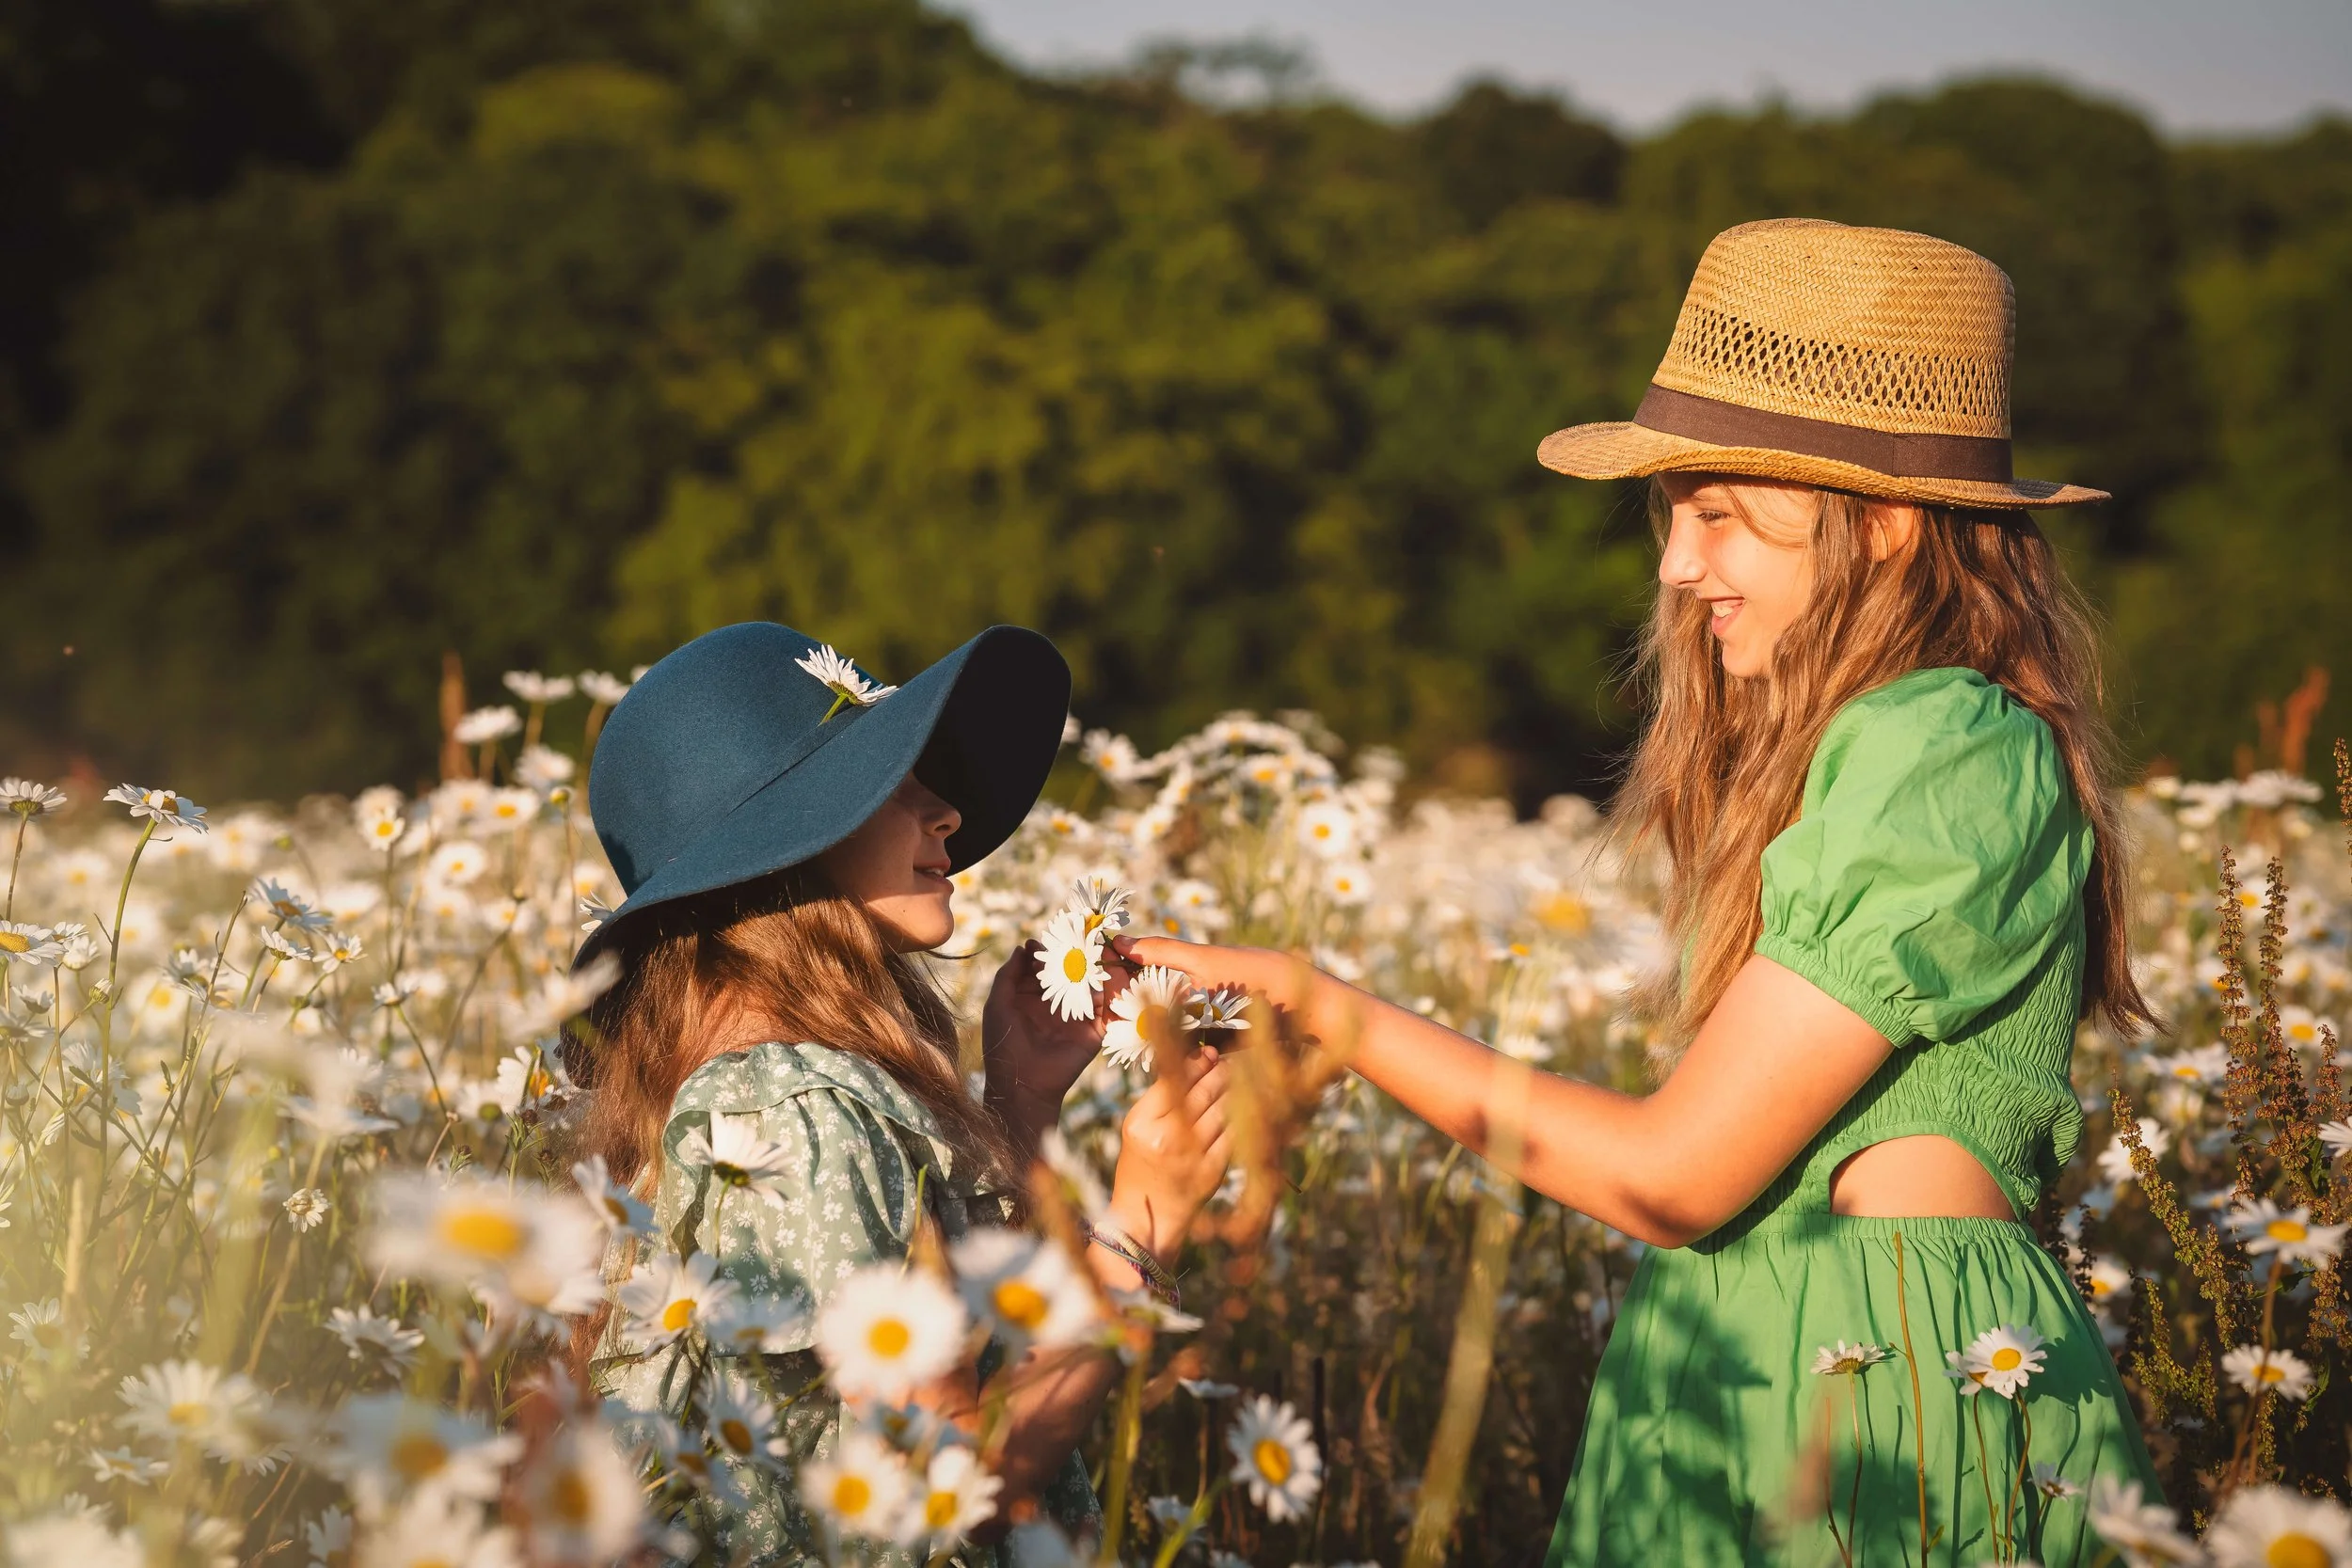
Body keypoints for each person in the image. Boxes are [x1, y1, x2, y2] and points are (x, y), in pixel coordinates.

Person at [1126, 220, 2163, 1566]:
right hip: (1748, 1356)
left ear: (1892, 525)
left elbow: (1672, 1175)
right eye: (1676, 511)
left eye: (1720, 513)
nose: (1677, 563)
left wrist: (1333, 1007)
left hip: (1881, 1396)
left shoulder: (1945, 746)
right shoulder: (1854, 755)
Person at [567, 622, 1231, 1563]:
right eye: (886, 779)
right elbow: (946, 1487)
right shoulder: (796, 1111)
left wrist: (1019, 1106)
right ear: (784, 843)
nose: (947, 811)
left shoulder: (751, 1094)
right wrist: (1136, 1237)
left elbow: (945, 1354)